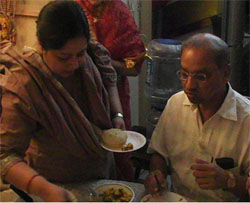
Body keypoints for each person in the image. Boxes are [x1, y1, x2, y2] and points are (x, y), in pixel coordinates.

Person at [0, 1, 125, 201]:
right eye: (64, 57)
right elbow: (5, 158)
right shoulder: (26, 83)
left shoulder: (91, 53)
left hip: (99, 175)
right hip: (53, 184)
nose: (75, 64)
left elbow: (110, 80)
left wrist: (117, 114)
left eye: (79, 54)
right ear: (42, 46)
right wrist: (45, 190)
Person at [144, 33, 249, 201]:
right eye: (184, 74)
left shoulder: (246, 120)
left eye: (201, 77)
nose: (189, 85)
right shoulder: (175, 104)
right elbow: (159, 154)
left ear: (225, 73)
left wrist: (228, 180)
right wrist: (156, 174)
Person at [76, 0, 146, 181]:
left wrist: (103, 63)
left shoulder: (118, 11)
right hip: (75, 95)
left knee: (119, 159)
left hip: (113, 98)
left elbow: (133, 67)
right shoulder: (70, 6)